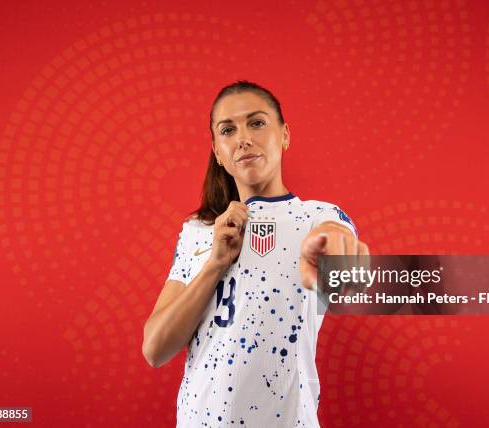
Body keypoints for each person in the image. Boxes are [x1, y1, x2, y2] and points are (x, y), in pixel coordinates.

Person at [142, 80, 369, 427]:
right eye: (228, 130)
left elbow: (338, 245)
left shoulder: (317, 217)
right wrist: (216, 263)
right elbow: (155, 348)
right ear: (218, 151)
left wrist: (336, 247)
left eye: (257, 123)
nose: (243, 138)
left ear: (285, 135)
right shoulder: (198, 233)